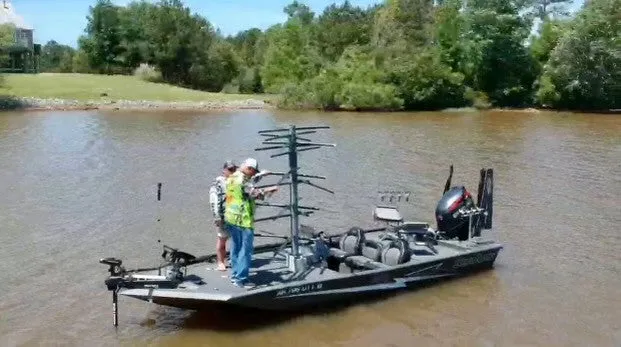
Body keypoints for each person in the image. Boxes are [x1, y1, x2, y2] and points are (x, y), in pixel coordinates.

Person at [224, 158, 278, 287]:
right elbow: (254, 193)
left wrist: (261, 175)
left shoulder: (233, 176)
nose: (253, 175)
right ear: (249, 169)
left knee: (235, 248)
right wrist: (269, 190)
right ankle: (241, 279)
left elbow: (247, 183)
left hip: (231, 218)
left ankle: (234, 275)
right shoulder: (243, 180)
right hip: (243, 221)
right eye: (253, 172)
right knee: (245, 250)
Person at [209, 160, 238, 271]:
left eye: (234, 169)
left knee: (237, 239)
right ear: (224, 170)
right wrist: (217, 217)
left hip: (236, 216)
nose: (232, 172)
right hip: (223, 216)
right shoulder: (218, 184)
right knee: (222, 239)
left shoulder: (238, 181)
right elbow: (213, 201)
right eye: (230, 170)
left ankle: (234, 259)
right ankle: (220, 262)